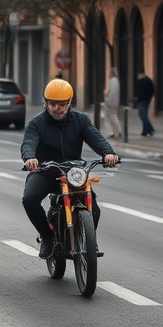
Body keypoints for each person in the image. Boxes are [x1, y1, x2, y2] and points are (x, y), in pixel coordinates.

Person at [21, 78, 120, 258]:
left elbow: (95, 138)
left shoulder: (81, 120)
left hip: (73, 171)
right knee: (29, 199)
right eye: (52, 104)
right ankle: (47, 236)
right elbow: (29, 142)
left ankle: (90, 240)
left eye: (62, 104)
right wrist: (30, 158)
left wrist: (108, 153)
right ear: (46, 103)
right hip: (45, 171)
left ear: (69, 102)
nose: (57, 109)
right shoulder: (37, 123)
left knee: (94, 206)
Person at [134, 70, 155, 137]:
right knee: (144, 114)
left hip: (141, 100)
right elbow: (152, 90)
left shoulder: (141, 82)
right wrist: (149, 97)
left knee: (142, 115)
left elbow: (137, 91)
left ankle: (150, 128)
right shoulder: (149, 81)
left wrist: (136, 97)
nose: (139, 76)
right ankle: (145, 131)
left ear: (142, 74)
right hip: (147, 100)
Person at [102, 67, 122, 139]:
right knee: (110, 117)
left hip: (112, 102)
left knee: (112, 117)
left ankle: (118, 132)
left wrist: (109, 101)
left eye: (108, 73)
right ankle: (114, 132)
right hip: (112, 102)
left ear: (111, 74)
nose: (107, 75)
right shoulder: (113, 81)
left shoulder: (113, 81)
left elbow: (113, 93)